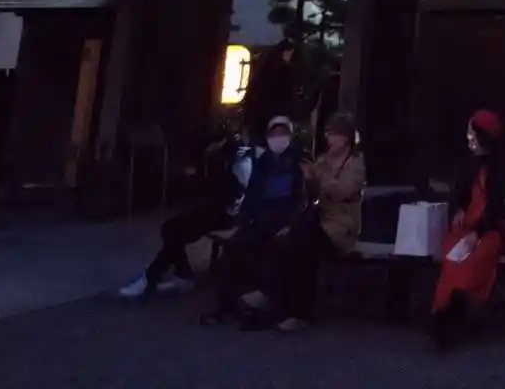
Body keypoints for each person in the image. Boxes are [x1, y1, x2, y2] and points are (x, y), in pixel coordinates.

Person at [240, 112, 366, 332]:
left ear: (345, 137)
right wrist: (308, 178)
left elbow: (344, 190)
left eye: (334, 134)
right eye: (328, 134)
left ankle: (300, 312)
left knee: (302, 247)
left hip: (340, 226)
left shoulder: (354, 163)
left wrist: (319, 179)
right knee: (282, 242)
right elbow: (311, 189)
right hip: (319, 219)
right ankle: (271, 296)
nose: (329, 139)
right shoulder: (323, 159)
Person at [119, 124, 253, 299]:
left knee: (176, 231)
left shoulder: (239, 159)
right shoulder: (216, 158)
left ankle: (151, 278)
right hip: (214, 210)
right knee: (170, 229)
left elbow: (237, 191)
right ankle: (180, 274)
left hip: (229, 214)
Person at [200, 114, 306, 325]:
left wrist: (291, 224)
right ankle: (225, 306)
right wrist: (243, 220)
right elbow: (253, 194)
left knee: (272, 253)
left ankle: (264, 311)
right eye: (274, 133)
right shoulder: (263, 162)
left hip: (284, 220)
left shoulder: (299, 162)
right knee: (233, 249)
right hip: (260, 219)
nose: (278, 137)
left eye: (283, 132)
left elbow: (301, 199)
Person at [429, 110, 505, 346]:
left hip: (492, 228)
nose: (468, 139)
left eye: (472, 134)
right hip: (467, 224)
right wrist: (459, 208)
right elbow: (460, 193)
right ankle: (443, 310)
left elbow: (497, 205)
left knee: (477, 258)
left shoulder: (502, 167)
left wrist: (477, 233)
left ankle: (459, 305)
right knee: (452, 257)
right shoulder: (469, 163)